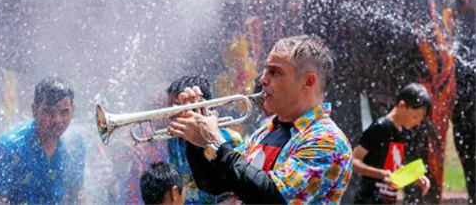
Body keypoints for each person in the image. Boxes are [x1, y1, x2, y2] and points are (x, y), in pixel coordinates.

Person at [168, 35, 353, 204]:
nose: (263, 79)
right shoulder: (266, 131)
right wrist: (196, 143)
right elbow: (216, 184)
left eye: (275, 72)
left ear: (308, 82)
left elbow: (273, 196)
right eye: (266, 70)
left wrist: (215, 141)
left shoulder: (328, 140)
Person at [0, 77, 85, 205]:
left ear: (73, 110)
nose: (57, 120)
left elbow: (77, 196)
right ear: (34, 110)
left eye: (64, 112)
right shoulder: (6, 149)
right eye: (49, 112)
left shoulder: (75, 144)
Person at [166, 75, 242, 204]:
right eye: (169, 107)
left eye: (178, 106)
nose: (170, 114)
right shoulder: (174, 141)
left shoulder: (231, 139)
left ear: (200, 106)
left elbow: (242, 183)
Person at [353, 83, 431, 204]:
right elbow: (352, 161)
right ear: (402, 105)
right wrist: (381, 174)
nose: (418, 123)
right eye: (416, 117)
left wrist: (414, 178)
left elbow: (392, 168)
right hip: (368, 200)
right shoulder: (380, 127)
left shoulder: (401, 132)